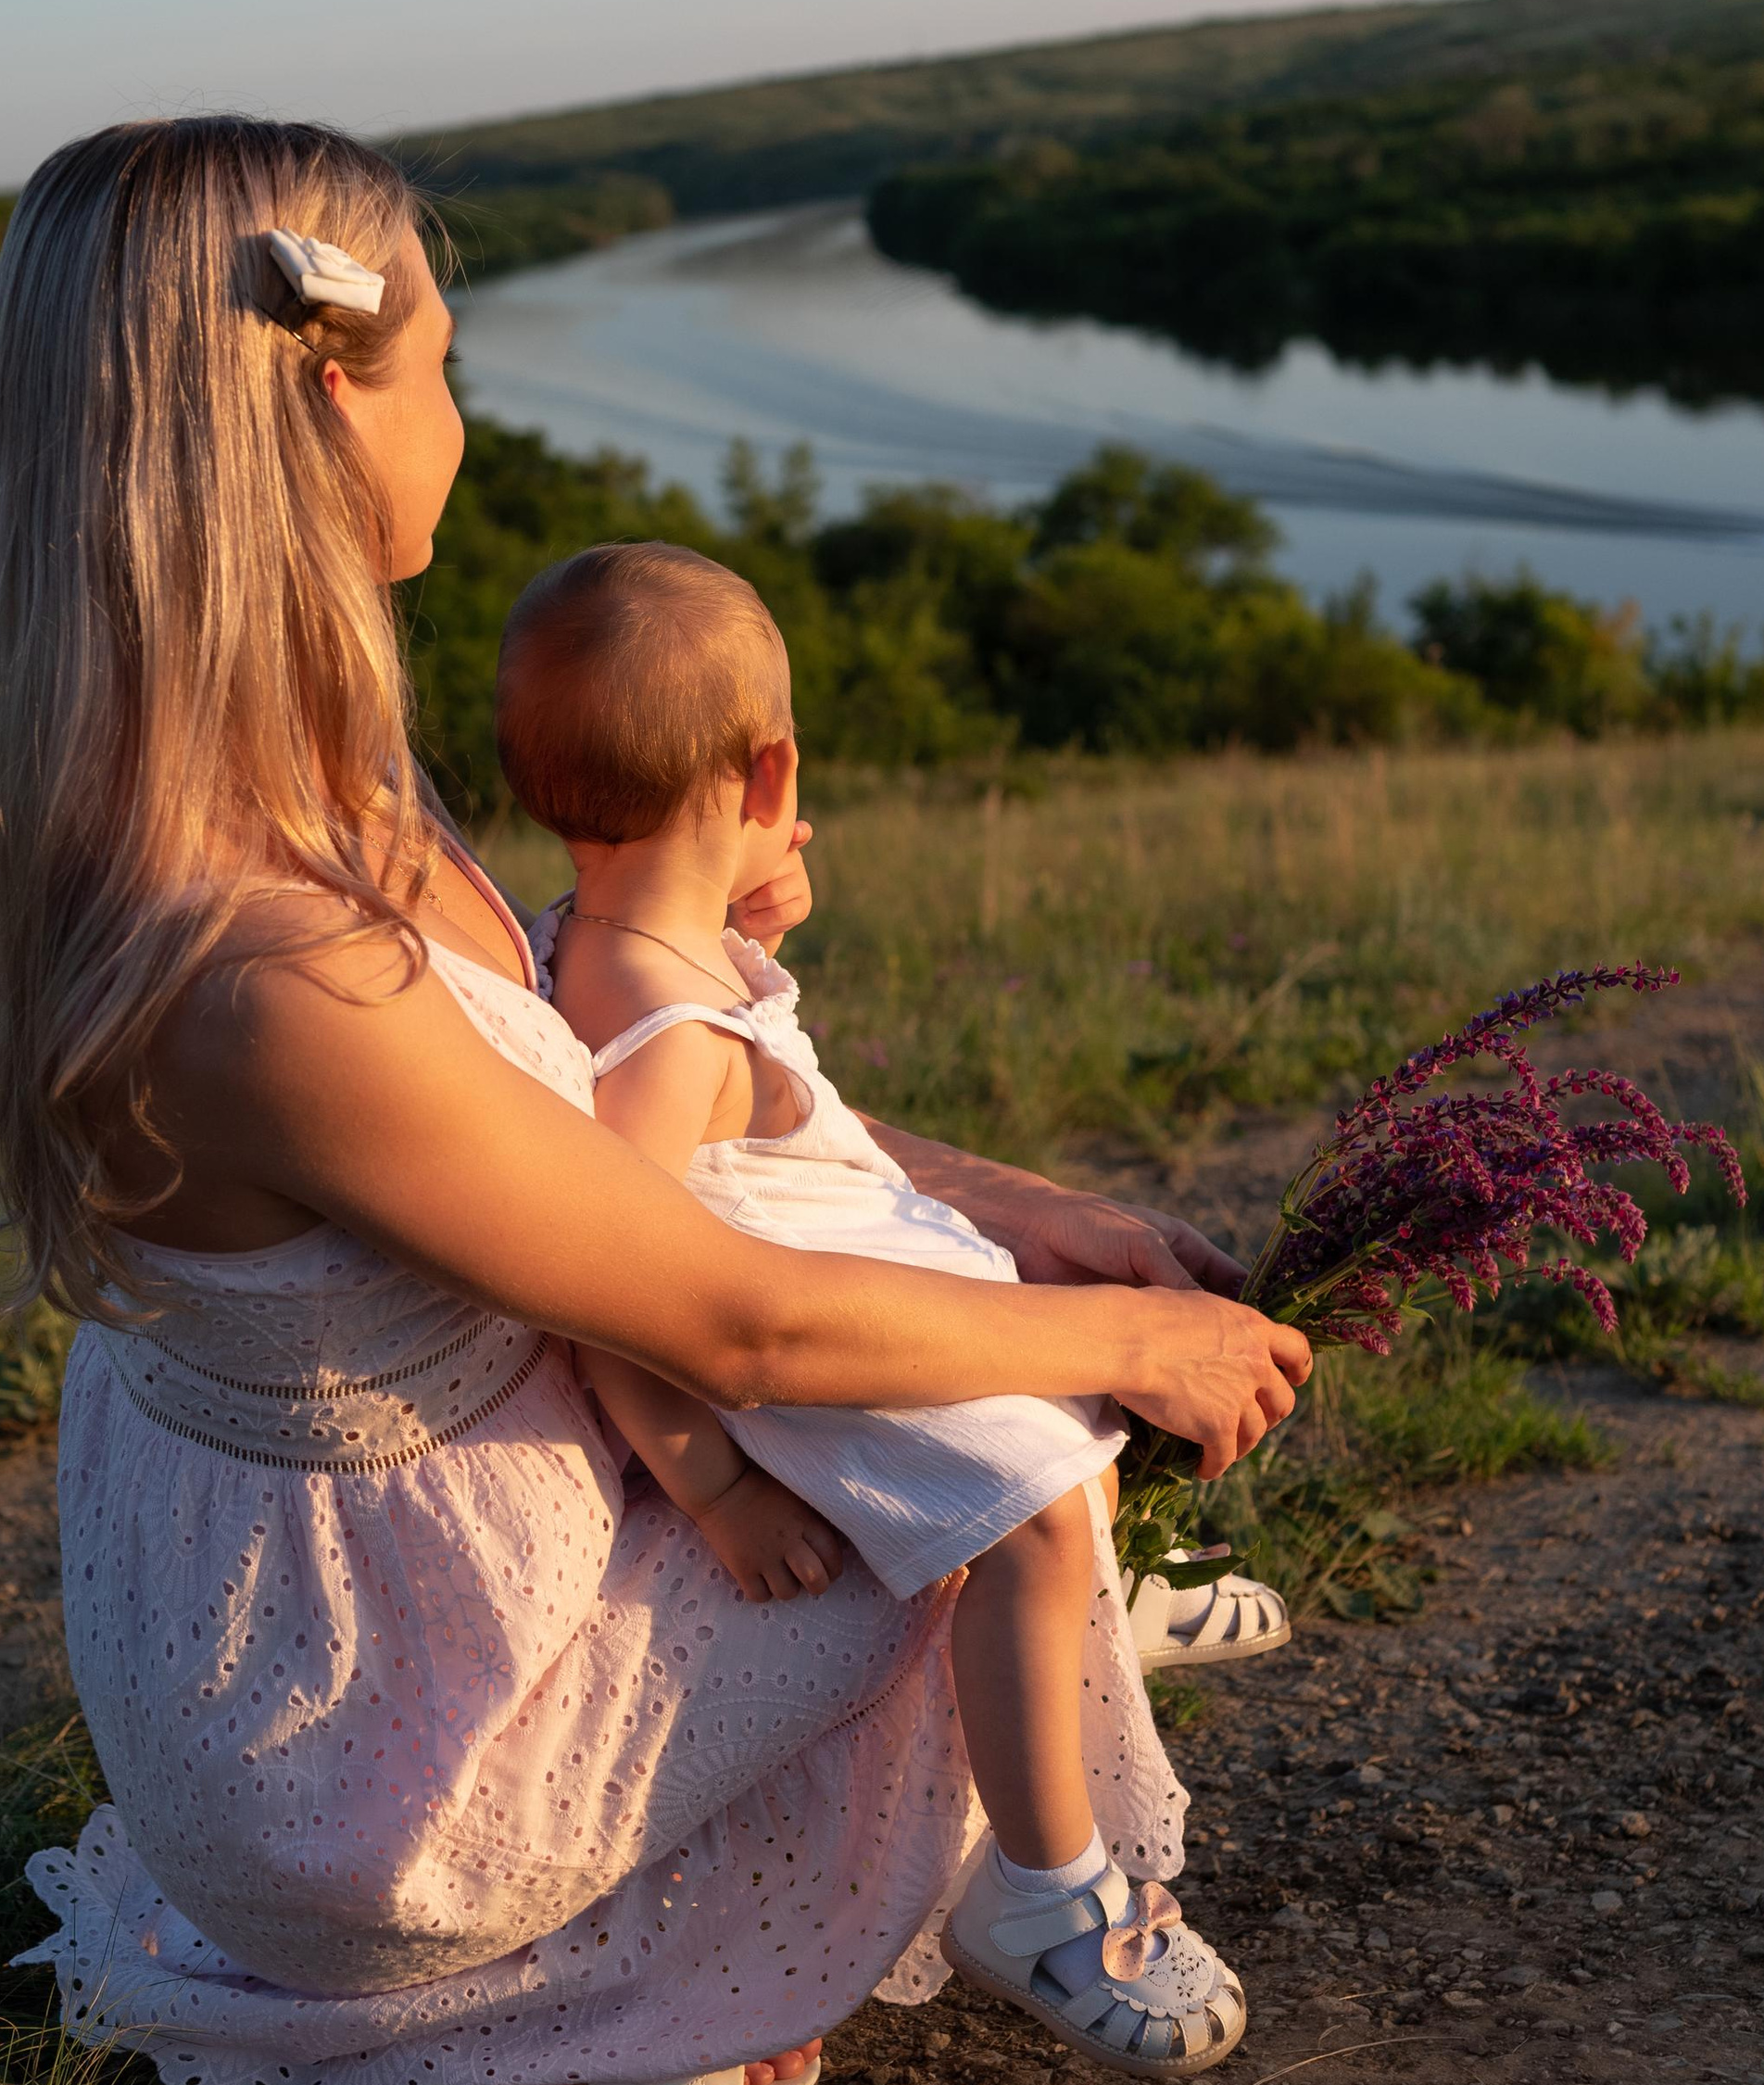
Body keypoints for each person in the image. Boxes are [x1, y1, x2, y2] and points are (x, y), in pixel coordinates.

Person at [0, 116, 1309, 2085]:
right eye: (445, 372)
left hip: (366, 1589)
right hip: (377, 1767)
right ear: (331, 393)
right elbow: (739, 1321)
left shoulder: (287, 785)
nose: (463, 431)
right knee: (982, 1477)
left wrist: (1033, 1214)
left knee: (952, 1391)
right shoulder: (261, 963)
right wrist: (1131, 1349)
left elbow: (595, 1131)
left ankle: (1047, 1618)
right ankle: (926, 1855)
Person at [498, 537, 1291, 1977]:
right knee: (1036, 1508)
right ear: (771, 777)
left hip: (847, 1255)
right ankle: (1046, 1891)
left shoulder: (620, 944)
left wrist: (742, 914)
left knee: (1063, 1374)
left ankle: (1097, 1624)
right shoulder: (665, 1043)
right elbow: (607, 1285)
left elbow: (730, 1019)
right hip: (794, 1364)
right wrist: (715, 1485)